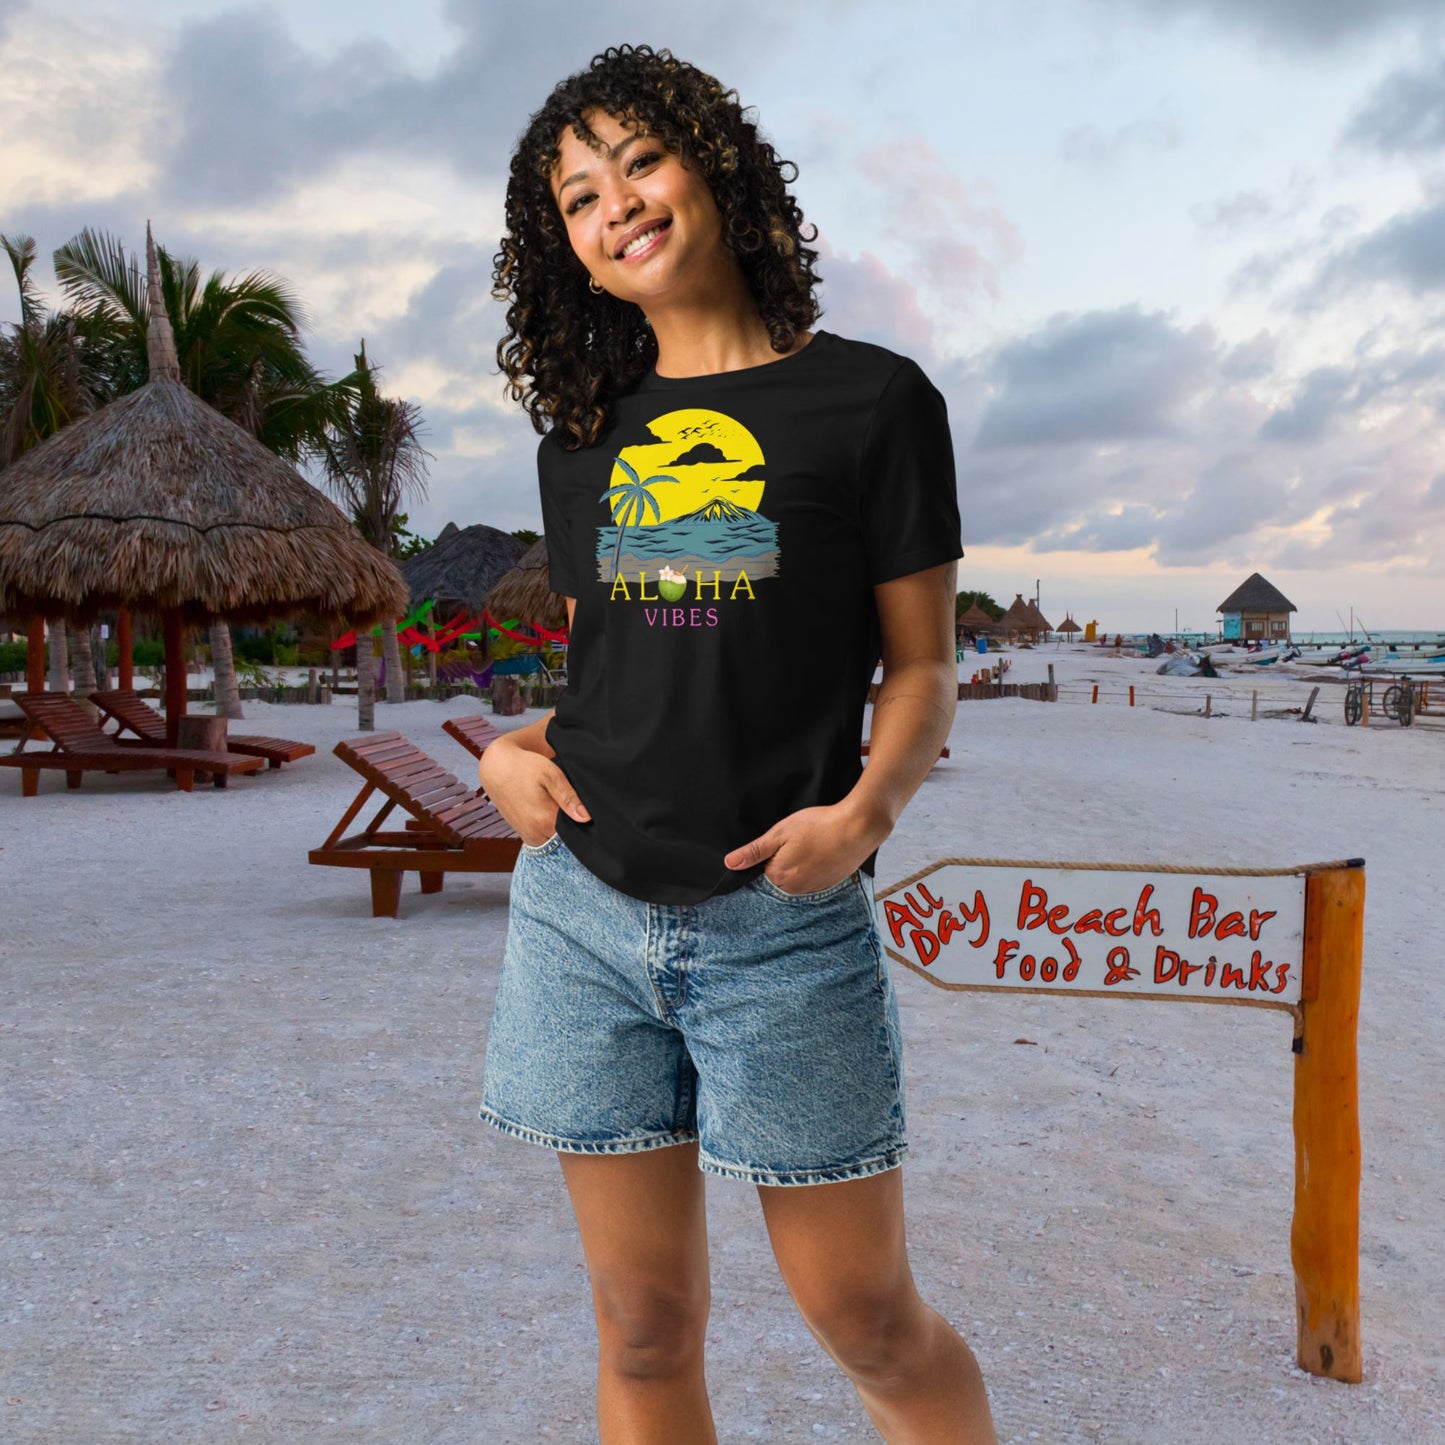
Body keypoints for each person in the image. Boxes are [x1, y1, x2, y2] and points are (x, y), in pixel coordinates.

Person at [478, 44, 996, 1443]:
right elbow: (614, 680)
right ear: (568, 252)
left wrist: (866, 813)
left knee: (866, 1318)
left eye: (638, 161)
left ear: (715, 168)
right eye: (578, 197)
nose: (616, 205)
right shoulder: (583, 438)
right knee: (642, 1328)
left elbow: (924, 663)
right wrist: (498, 756)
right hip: (580, 912)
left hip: (782, 917)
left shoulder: (874, 403)